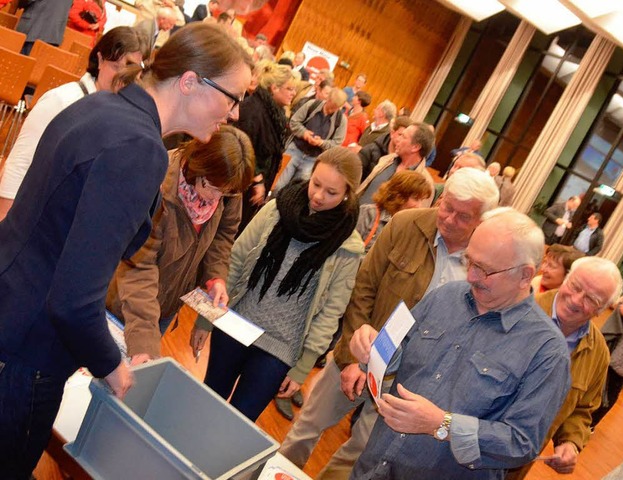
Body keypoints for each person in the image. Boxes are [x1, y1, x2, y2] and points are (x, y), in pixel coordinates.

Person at [0, 23, 252, 477]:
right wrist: (111, 366)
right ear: (191, 82)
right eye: (232, 98)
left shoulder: (101, 106)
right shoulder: (140, 148)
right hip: (26, 351)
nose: (234, 114)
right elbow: (73, 300)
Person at [279, 168, 499, 480]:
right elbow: (364, 287)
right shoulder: (405, 224)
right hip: (360, 355)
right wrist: (353, 357)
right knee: (305, 431)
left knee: (360, 454)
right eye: (447, 207)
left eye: (463, 217)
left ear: (482, 220)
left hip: (408, 382)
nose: (449, 219)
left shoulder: (484, 265)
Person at [349, 209, 571, 480]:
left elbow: (521, 443)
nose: (471, 277)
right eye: (470, 261)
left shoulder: (547, 351)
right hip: (373, 466)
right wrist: (371, 348)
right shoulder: (445, 296)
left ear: (525, 275)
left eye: (485, 270)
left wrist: (442, 425)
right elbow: (397, 355)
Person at [190, 147, 364, 422]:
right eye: (316, 184)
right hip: (237, 322)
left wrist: (303, 367)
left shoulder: (347, 247)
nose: (318, 196)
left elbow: (330, 314)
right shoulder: (278, 208)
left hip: (281, 346)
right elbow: (235, 260)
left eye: (331, 192)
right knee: (207, 403)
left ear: (348, 194)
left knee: (239, 422)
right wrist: (205, 320)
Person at [106, 126, 254, 364]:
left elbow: (224, 235)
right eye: (213, 188)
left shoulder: (227, 188)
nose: (216, 199)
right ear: (199, 166)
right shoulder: (159, 183)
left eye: (225, 194)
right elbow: (139, 264)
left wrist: (216, 277)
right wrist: (144, 339)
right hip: (124, 302)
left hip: (167, 304)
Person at [0, 26, 146, 222]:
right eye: (115, 67)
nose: (121, 78)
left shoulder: (122, 115)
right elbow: (20, 162)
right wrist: (4, 216)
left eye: (129, 71)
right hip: (30, 215)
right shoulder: (62, 100)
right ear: (101, 59)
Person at [507, 257, 622, 479]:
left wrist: (570, 441)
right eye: (576, 286)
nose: (577, 300)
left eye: (591, 298)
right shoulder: (515, 309)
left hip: (515, 466)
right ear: (566, 278)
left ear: (602, 309)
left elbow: (583, 409)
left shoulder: (598, 354)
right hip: (461, 444)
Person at [234, 61, 295, 232]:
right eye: (289, 88)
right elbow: (245, 148)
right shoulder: (253, 110)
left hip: (256, 182)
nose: (293, 93)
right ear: (274, 88)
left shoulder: (274, 113)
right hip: (244, 183)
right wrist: (257, 181)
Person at [273, 88, 347, 191]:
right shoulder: (312, 105)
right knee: (277, 186)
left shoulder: (341, 120)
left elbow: (337, 143)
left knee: (295, 191)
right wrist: (304, 133)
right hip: (294, 150)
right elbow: (294, 122)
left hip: (313, 159)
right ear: (328, 100)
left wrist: (321, 142)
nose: (333, 110)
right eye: (332, 106)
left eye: (336, 108)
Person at [592, 284, 623, 429]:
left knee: (611, 386)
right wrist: (620, 301)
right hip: (616, 338)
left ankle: (592, 423)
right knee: (596, 377)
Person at [357, 122, 435, 207]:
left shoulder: (425, 183)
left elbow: (414, 217)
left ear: (415, 147)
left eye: (403, 136)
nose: (397, 139)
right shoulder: (387, 160)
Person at [357, 170, 432, 253]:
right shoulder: (368, 213)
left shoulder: (411, 230)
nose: (419, 206)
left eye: (421, 200)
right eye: (415, 199)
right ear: (399, 196)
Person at [357, 115, 411, 181]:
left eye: (405, 137)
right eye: (400, 135)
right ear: (392, 133)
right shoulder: (369, 151)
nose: (402, 140)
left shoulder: (404, 161)